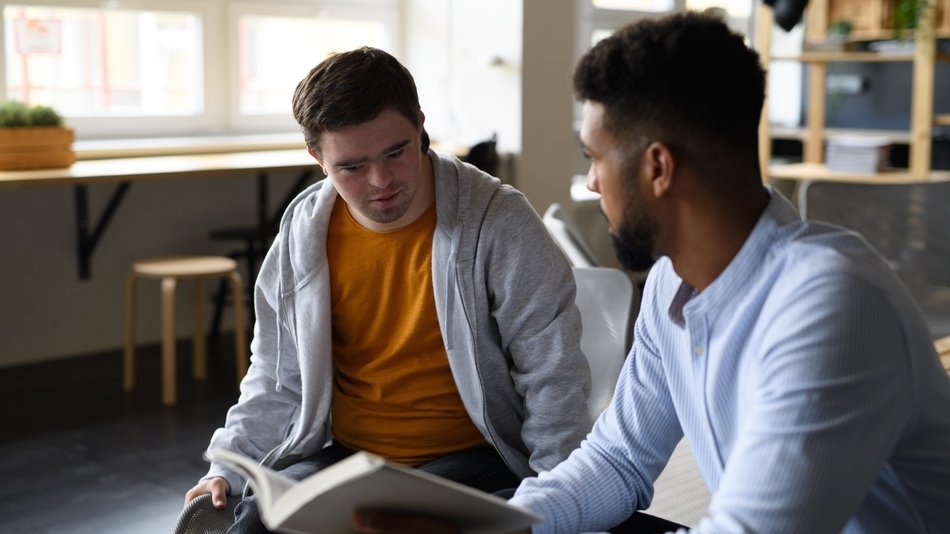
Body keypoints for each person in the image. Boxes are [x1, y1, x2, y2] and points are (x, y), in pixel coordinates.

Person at [352, 11, 950, 534]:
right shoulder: (673, 281)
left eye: (594, 157)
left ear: (658, 167)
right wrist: (494, 526)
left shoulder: (831, 304)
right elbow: (619, 460)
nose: (590, 182)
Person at [182, 46, 593, 533]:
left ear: (420, 125)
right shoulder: (303, 235)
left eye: (396, 152)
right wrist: (229, 464)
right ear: (317, 156)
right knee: (254, 521)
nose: (381, 181)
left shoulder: (498, 222)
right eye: (351, 167)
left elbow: (552, 375)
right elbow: (275, 375)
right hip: (351, 457)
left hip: (475, 455)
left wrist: (558, 497)